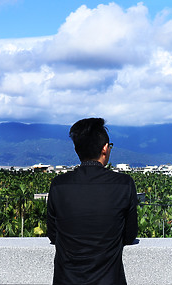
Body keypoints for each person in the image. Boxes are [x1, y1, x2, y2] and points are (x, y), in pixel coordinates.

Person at [47, 118, 138, 284]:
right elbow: (129, 235)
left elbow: (53, 235)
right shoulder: (124, 184)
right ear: (105, 148)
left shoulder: (58, 185)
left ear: (76, 149)